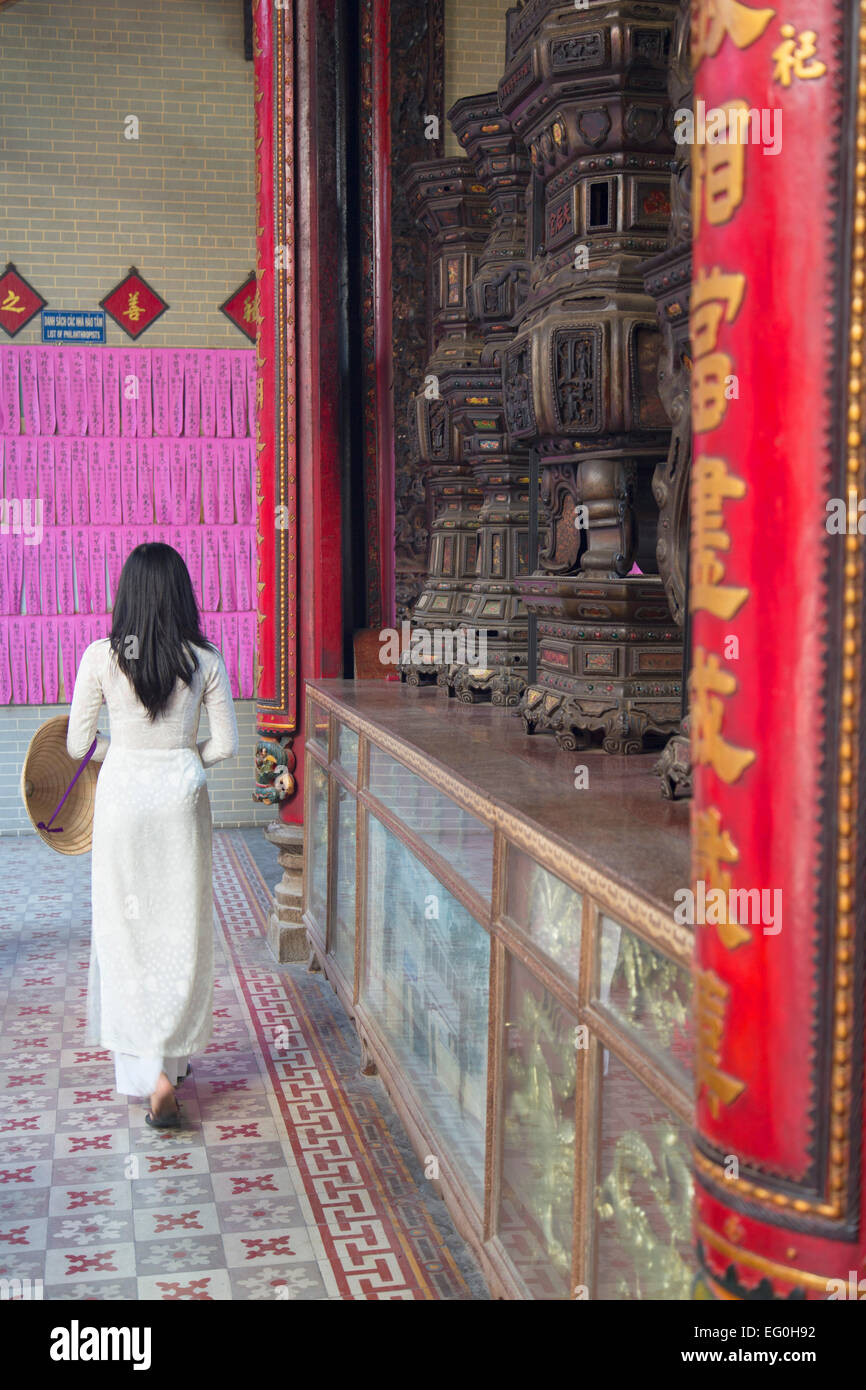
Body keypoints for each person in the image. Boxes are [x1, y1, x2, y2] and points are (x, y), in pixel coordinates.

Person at [66, 543, 239, 1128]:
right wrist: (181, 759)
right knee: (178, 930)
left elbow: (76, 745)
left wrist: (127, 755)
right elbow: (227, 746)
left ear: (126, 594)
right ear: (182, 594)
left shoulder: (100, 657)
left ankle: (149, 1074)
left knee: (125, 931)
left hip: (122, 804)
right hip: (180, 804)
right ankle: (172, 1063)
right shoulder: (206, 660)